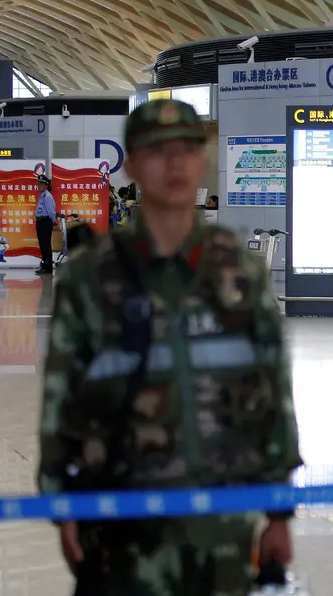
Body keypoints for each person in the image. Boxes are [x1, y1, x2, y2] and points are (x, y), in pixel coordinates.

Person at [37, 99, 302, 595]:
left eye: (186, 149)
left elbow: (272, 392)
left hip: (221, 523)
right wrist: (62, 504)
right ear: (132, 165)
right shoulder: (92, 279)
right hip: (121, 521)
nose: (175, 164)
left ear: (203, 160)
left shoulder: (239, 274)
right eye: (157, 151)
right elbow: (61, 399)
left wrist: (279, 509)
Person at [34, 173, 56, 275]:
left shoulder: (47, 196)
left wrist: (50, 222)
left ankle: (48, 268)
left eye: (41, 184)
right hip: (40, 222)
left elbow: (51, 212)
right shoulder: (42, 195)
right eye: (38, 184)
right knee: (43, 246)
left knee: (46, 246)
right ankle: (45, 266)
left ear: (46, 185)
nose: (39, 186)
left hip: (45, 222)